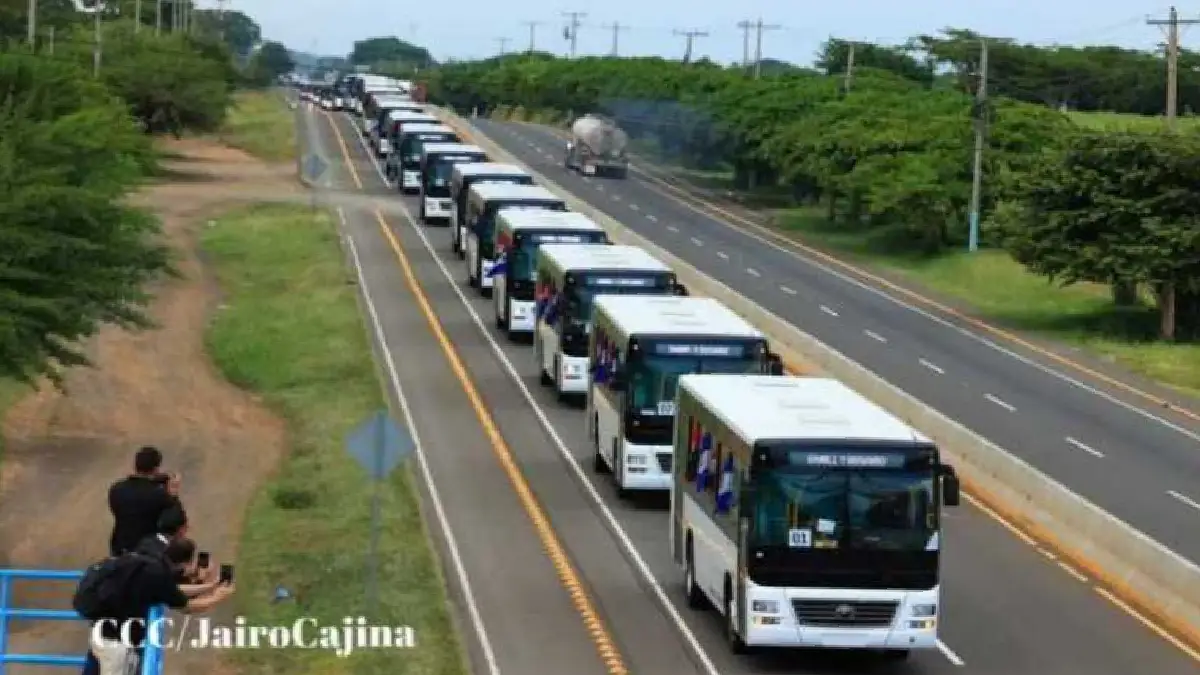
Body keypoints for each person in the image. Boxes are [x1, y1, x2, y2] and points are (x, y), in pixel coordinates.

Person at [89, 538, 234, 675]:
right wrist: (218, 597)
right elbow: (186, 605)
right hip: (114, 642)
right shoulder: (158, 575)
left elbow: (174, 591)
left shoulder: (154, 562)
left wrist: (210, 586)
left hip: (103, 627)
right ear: (185, 563)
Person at [108, 447, 181, 556]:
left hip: (120, 547)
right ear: (156, 468)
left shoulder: (116, 489)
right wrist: (173, 494)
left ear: (135, 466)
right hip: (149, 551)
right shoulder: (159, 495)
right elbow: (175, 521)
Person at [134, 506, 216, 585]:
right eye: (186, 527)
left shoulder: (147, 541)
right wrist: (200, 580)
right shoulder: (164, 555)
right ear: (181, 530)